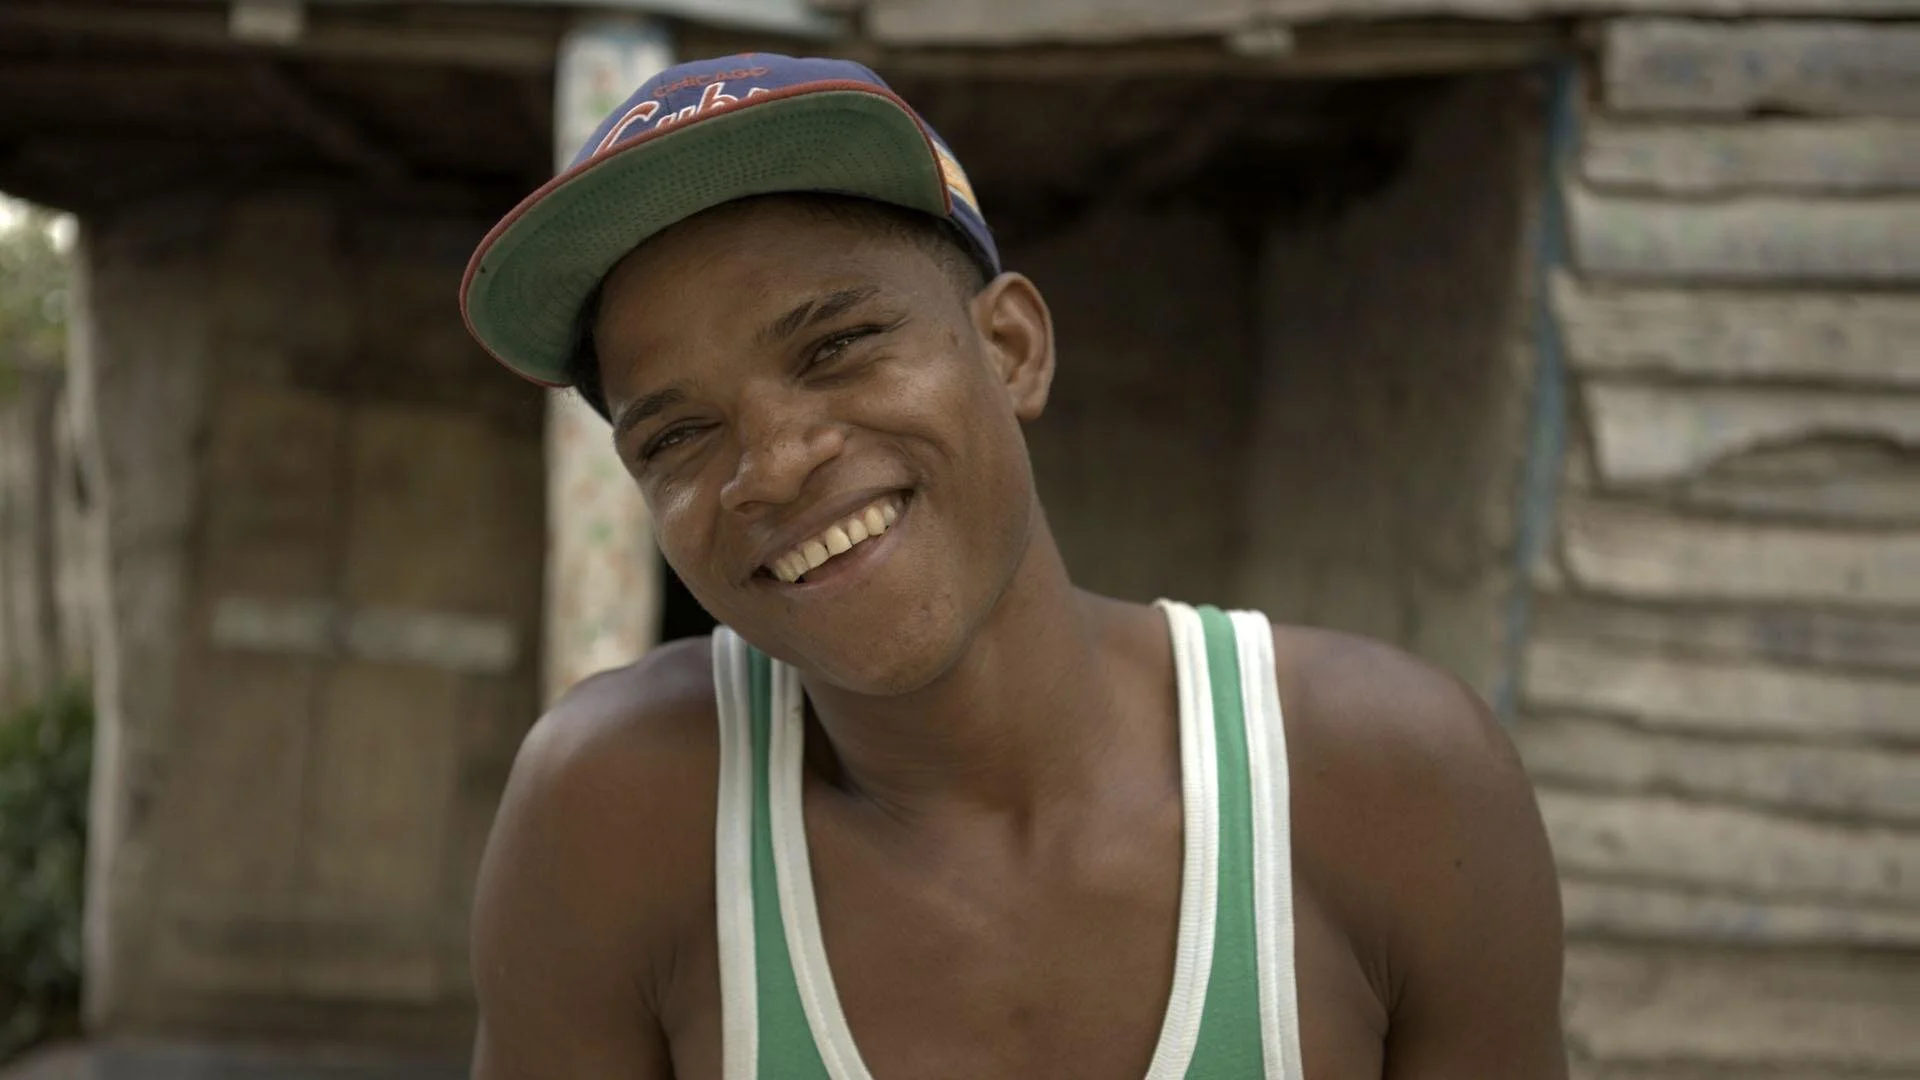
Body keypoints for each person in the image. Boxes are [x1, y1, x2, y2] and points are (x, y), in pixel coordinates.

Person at [460, 53, 1566, 1080]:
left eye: (835, 347)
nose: (776, 465)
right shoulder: (617, 819)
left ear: (1012, 350)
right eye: (677, 435)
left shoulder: (1389, 787)